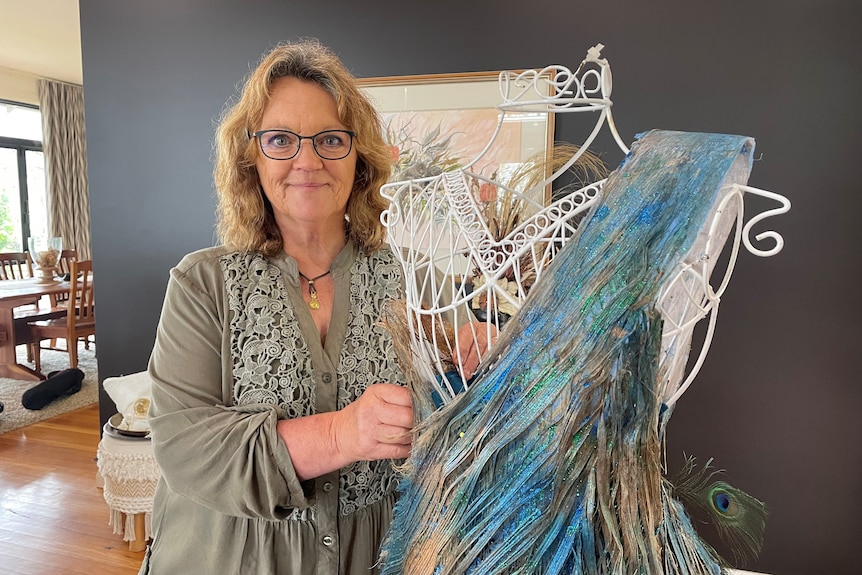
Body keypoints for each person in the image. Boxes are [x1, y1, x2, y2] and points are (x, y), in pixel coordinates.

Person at [138, 39, 491, 575]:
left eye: (330, 139)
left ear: (360, 159)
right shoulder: (203, 283)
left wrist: (470, 345)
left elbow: (455, 346)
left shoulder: (409, 274)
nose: (307, 161)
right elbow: (188, 449)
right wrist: (343, 433)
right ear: (250, 158)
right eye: (280, 139)